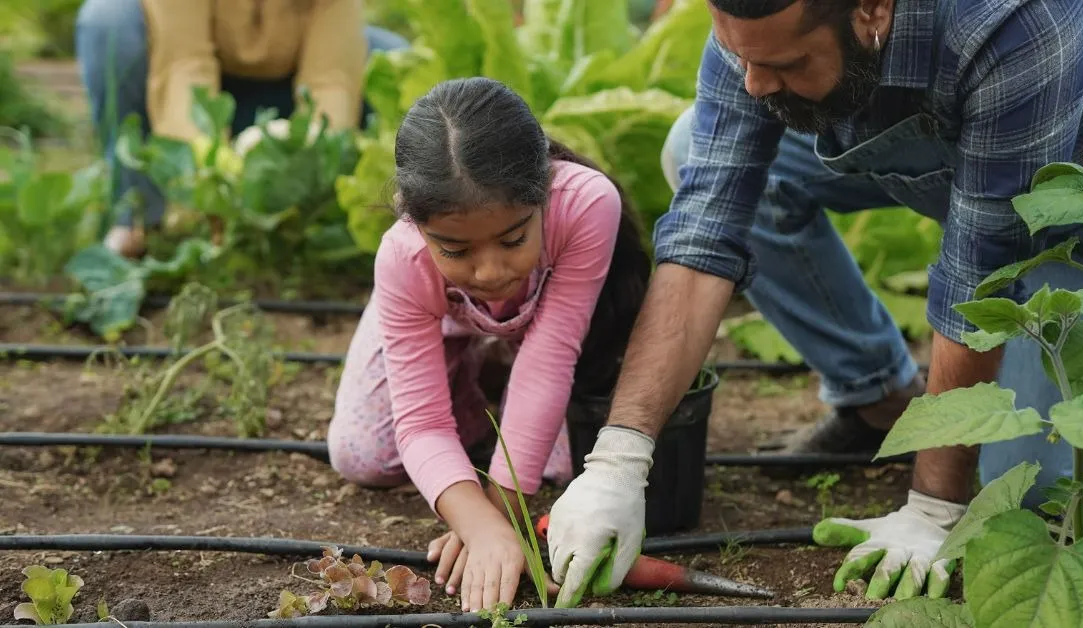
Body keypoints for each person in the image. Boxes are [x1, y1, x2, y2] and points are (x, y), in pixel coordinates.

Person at [548, 0, 1083, 607]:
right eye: (740, 57)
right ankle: (878, 398)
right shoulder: (765, 26)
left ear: (871, 10)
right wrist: (619, 458)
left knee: (1038, 490)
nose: (752, 84)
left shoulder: (1022, 20)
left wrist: (934, 507)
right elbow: (703, 230)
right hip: (953, 134)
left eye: (784, 64)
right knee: (690, 147)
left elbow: (981, 276)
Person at [326, 77, 652, 613]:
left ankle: (494, 404)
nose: (491, 269)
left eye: (514, 239)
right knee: (363, 455)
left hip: (547, 335)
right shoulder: (404, 258)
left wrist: (499, 516)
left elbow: (549, 363)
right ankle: (479, 400)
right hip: (445, 320)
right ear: (415, 220)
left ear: (542, 191)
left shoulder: (586, 204)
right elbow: (422, 421)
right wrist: (476, 524)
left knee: (573, 465)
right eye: (455, 249)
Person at [74, 0, 410, 259]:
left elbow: (331, 82)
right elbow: (184, 65)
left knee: (396, 57)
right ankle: (140, 215)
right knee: (108, 22)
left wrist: (307, 167)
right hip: (200, 86)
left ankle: (375, 222)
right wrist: (206, 179)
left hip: (285, 90)